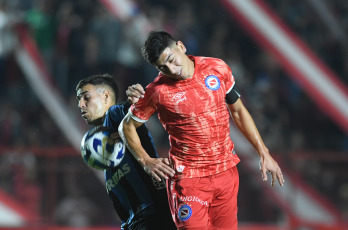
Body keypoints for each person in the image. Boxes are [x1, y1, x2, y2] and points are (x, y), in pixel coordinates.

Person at [120, 31, 285, 230]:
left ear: (181, 46)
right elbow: (126, 126)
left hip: (226, 173)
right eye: (163, 67)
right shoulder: (157, 92)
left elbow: (239, 111)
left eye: (171, 60)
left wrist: (263, 152)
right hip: (188, 180)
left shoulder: (217, 67)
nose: (172, 69)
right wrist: (146, 161)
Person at [76, 74, 176, 230]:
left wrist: (136, 103)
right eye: (78, 100)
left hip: (154, 216)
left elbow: (129, 111)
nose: (80, 104)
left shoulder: (115, 114)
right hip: (134, 223)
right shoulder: (102, 137)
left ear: (105, 96)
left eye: (85, 97)